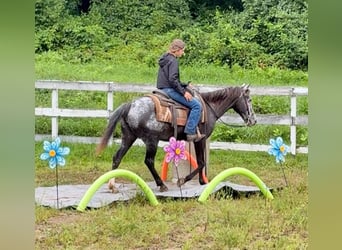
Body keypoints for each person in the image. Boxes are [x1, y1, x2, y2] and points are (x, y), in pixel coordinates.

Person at [156, 39, 205, 142]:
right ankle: (190, 132)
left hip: (162, 89)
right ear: (177, 50)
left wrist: (185, 84)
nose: (183, 53)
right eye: (182, 50)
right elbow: (172, 80)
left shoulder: (165, 59)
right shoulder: (173, 61)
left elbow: (171, 79)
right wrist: (184, 92)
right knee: (197, 106)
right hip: (169, 90)